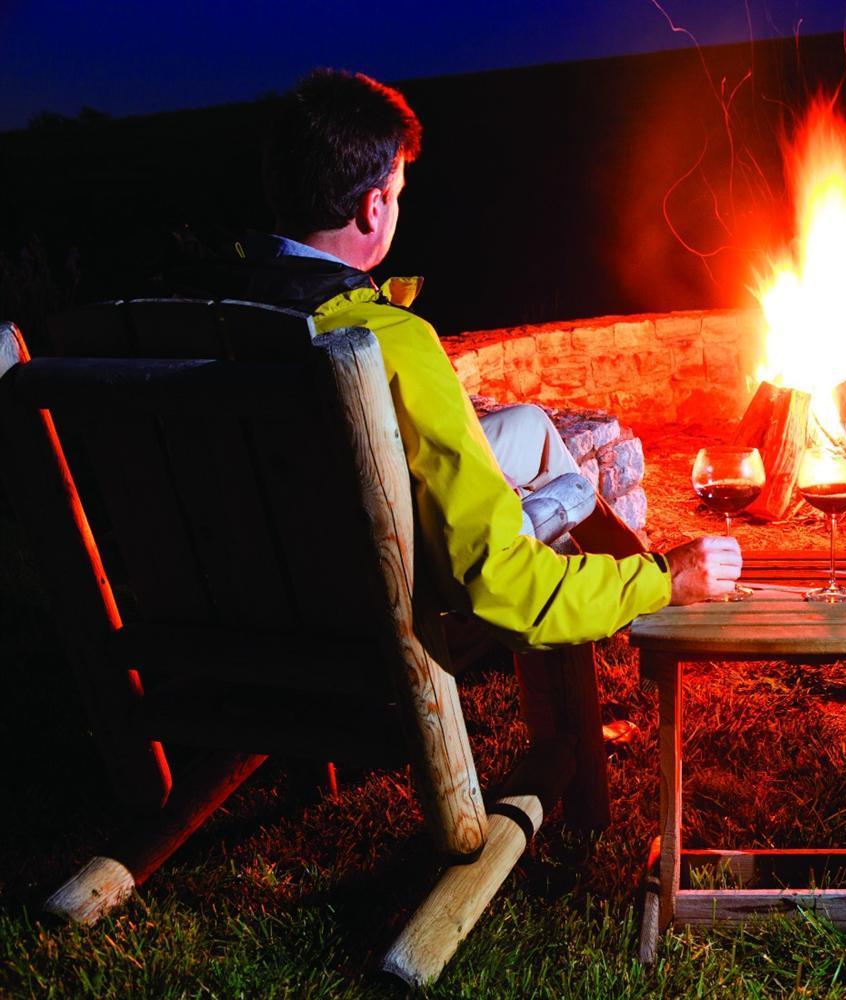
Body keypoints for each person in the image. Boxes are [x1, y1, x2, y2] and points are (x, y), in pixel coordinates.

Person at [163, 68, 741, 649]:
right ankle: (643, 589)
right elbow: (499, 584)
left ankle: (625, 569)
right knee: (562, 500)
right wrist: (663, 581)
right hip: (364, 602)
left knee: (532, 426)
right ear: (372, 207)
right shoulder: (390, 341)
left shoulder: (193, 318)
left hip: (246, 584)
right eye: (397, 193)